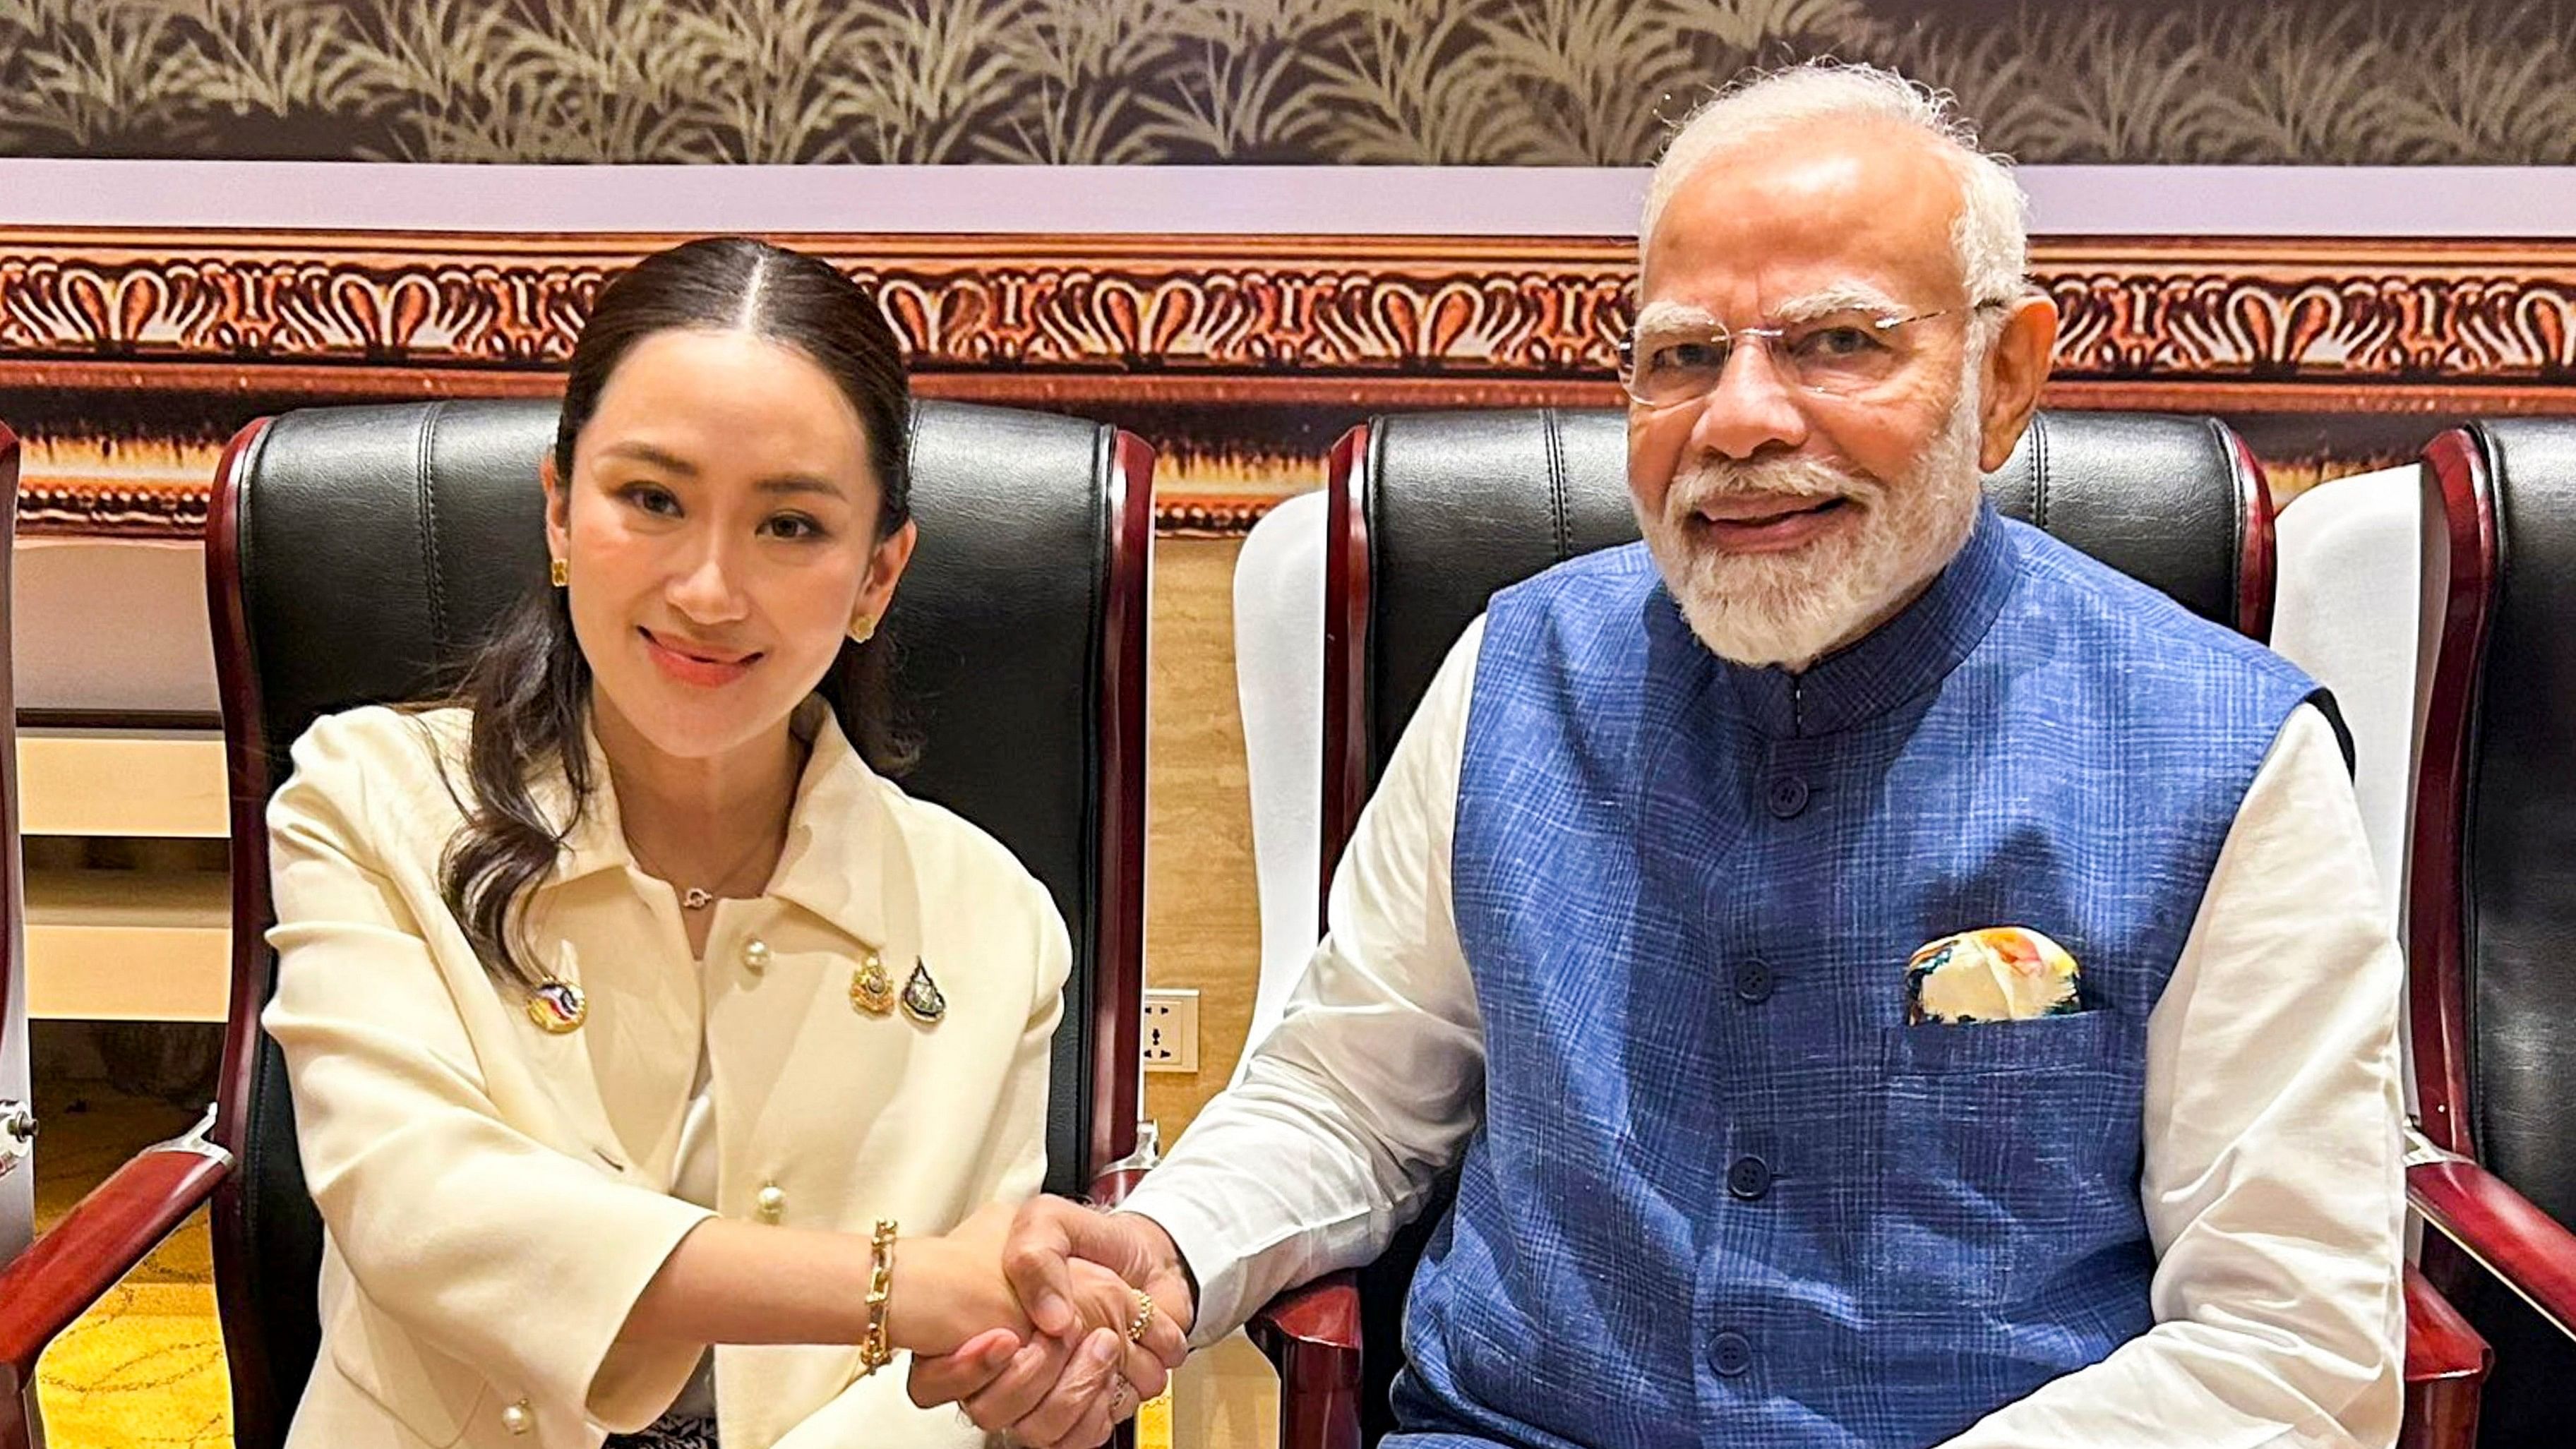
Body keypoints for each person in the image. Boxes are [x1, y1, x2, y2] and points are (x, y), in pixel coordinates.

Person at [916, 63, 2407, 1448]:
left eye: (1838, 341)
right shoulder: (1518, 668)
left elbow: (2289, 1340)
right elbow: (1350, 1095)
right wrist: (1169, 1253)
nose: (1742, 417)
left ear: (2002, 377)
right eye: (1682, 355)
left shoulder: (2226, 756)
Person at [261, 236, 1184, 1449]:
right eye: (651, 499)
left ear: (877, 574)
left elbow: (957, 1381)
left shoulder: (989, 916)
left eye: (791, 525)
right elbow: (421, 1208)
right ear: (557, 510)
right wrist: (904, 1287)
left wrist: (1032, 1357)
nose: (706, 589)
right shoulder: (367, 795)